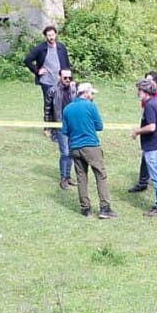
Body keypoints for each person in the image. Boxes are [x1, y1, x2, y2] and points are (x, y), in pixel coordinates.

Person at [62, 82, 116, 219]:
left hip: (74, 147)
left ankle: (85, 209)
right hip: (91, 146)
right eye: (91, 93)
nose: (92, 96)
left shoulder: (67, 109)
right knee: (100, 175)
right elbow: (99, 126)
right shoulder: (91, 106)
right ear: (85, 93)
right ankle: (105, 208)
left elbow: (65, 131)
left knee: (81, 178)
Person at [130, 78, 157, 217]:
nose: (137, 93)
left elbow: (152, 127)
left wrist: (137, 131)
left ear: (145, 91)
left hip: (154, 145)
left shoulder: (149, 105)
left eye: (139, 90)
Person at [44, 68, 77, 190]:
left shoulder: (75, 90)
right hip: (60, 125)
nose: (68, 80)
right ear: (59, 77)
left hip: (73, 125)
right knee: (65, 152)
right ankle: (63, 178)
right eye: (65, 78)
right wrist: (47, 126)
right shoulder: (52, 91)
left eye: (70, 78)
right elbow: (47, 109)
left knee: (72, 152)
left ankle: (68, 176)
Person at [23, 25, 72, 105]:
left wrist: (69, 79)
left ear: (55, 35)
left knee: (64, 103)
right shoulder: (40, 48)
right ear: (46, 36)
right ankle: (49, 118)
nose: (51, 37)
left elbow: (67, 63)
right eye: (49, 35)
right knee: (49, 105)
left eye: (53, 35)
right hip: (47, 82)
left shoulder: (61, 47)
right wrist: (37, 71)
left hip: (61, 81)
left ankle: (61, 118)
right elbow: (27, 60)